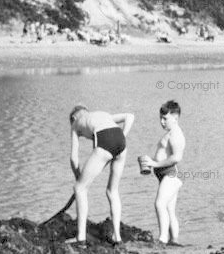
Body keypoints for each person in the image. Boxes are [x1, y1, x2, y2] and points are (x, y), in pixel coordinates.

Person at [68, 106, 135, 246]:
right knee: (112, 191)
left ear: (74, 117)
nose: (82, 136)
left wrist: (79, 179)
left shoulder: (75, 123)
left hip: (105, 139)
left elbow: (74, 159)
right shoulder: (103, 115)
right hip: (121, 142)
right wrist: (123, 136)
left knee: (80, 189)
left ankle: (80, 239)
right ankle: (117, 237)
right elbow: (130, 116)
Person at [140, 101, 185, 246]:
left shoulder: (176, 134)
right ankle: (174, 241)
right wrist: (150, 161)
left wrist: (155, 164)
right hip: (166, 174)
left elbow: (176, 158)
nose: (161, 122)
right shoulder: (170, 133)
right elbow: (165, 155)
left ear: (175, 118)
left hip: (171, 175)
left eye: (165, 118)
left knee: (160, 204)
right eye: (160, 118)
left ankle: (163, 239)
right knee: (169, 209)